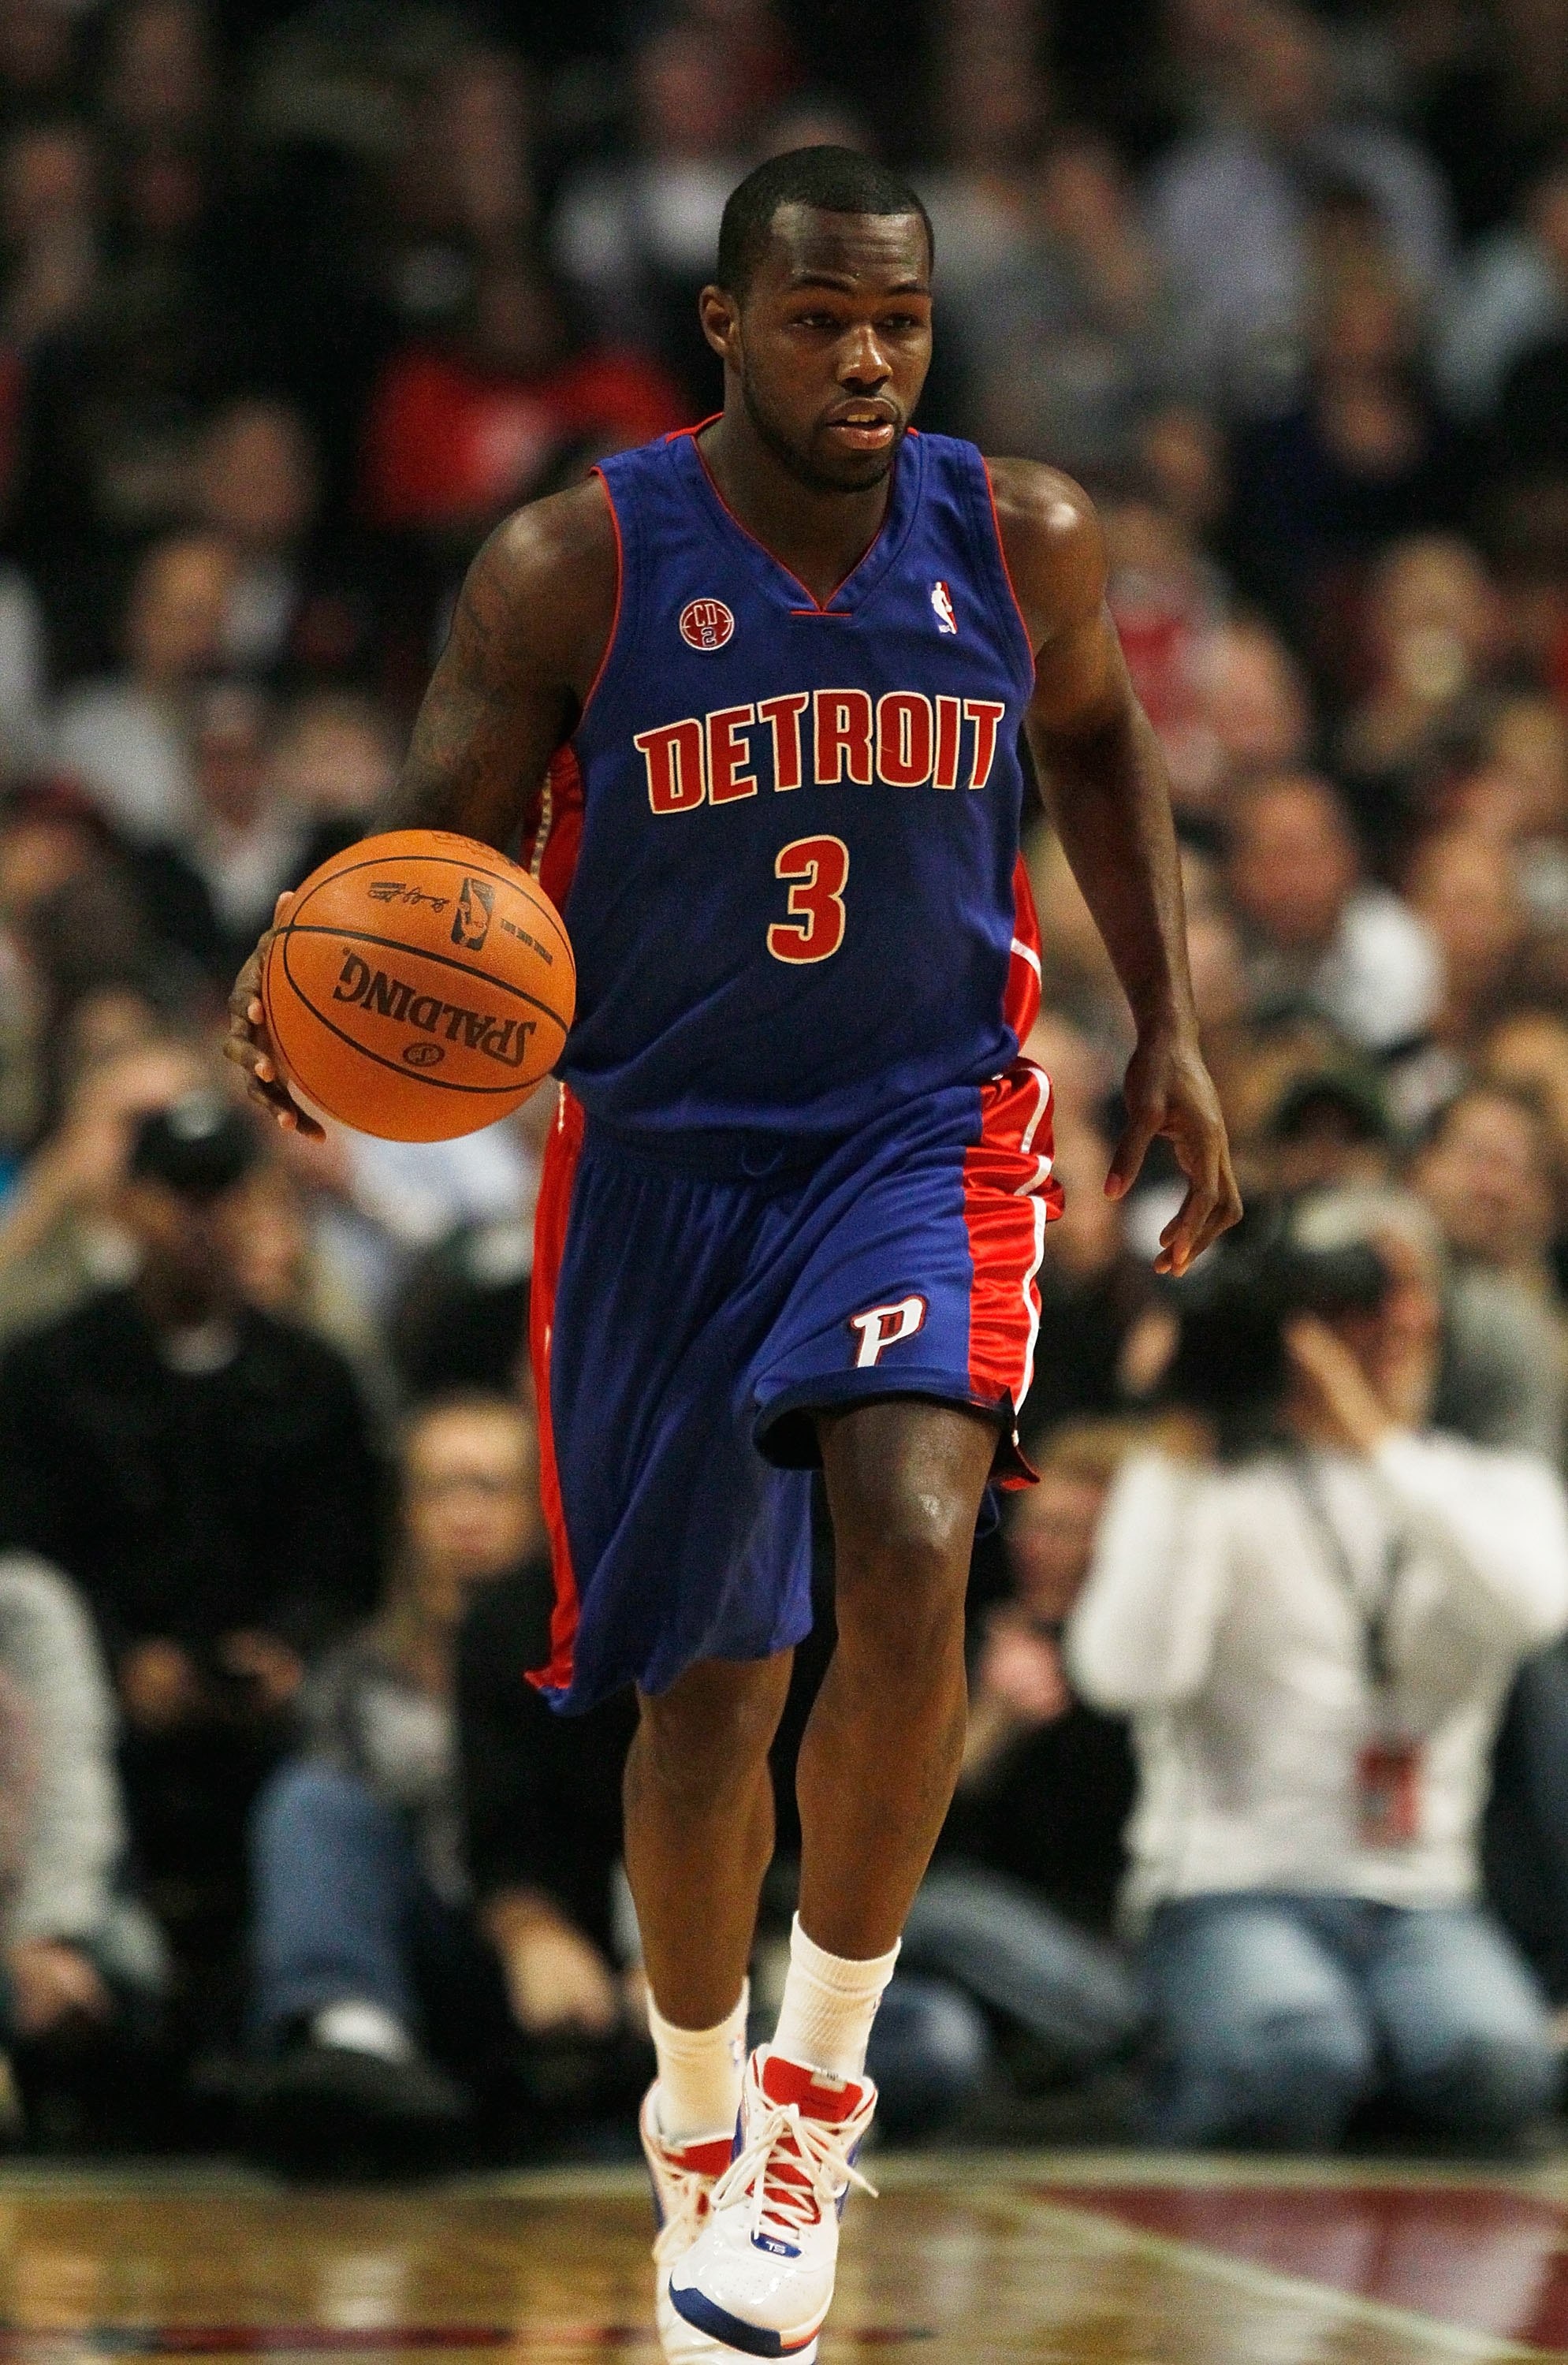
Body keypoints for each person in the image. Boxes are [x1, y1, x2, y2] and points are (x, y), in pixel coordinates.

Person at [229, 146, 1238, 2363]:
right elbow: (434, 866)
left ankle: (811, 2101)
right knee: (704, 1697)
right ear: (723, 325)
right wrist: (312, 972)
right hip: (662, 1161)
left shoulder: (1021, 535)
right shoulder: (572, 566)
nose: (867, 358)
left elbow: (1096, 741)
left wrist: (1167, 1019)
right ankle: (692, 2108)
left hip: (923, 1128)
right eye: (818, 318)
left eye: (899, 319)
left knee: (914, 1531)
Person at [1068, 1201, 1568, 2152]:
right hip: (1228, 1890)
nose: (1393, 1322)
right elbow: (1125, 1674)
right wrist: (1186, 1432)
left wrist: (1372, 1442)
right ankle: (1277, 2067)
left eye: (1409, 1293)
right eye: (1356, 1299)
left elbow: (1533, 1607)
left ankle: (1350, 2068)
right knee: (1293, 2056)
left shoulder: (1492, 1485)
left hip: (1424, 1899)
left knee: (1495, 2067)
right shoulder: (1208, 1483)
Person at [0, 1090, 379, 1974]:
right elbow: (26, 1559)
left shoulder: (315, 1380)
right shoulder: (46, 1375)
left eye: (222, 1194)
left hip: (274, 1730)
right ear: (127, 1204)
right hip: (87, 1720)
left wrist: (289, 1649)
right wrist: (120, 1659)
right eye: (177, 1193)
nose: (199, 1220)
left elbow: (349, 1562)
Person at [248, 1392, 643, 2172]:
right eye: (441, 1490)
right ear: (405, 1514)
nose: (465, 1515)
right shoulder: (356, 1672)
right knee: (310, 1802)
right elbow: (330, 1866)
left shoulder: (600, 1661)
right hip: (424, 1952)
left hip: (583, 1963)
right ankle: (354, 2042)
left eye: (490, 1488)